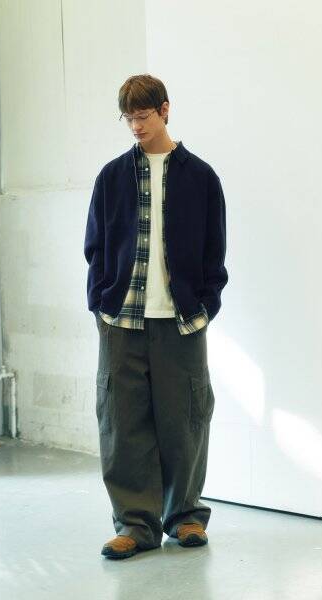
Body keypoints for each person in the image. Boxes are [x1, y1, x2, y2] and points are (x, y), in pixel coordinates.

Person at [84, 74, 228, 560]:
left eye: (143, 116)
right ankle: (134, 524)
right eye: (128, 118)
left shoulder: (201, 177)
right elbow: (95, 248)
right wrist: (101, 303)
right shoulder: (111, 178)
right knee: (122, 424)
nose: (136, 126)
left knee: (185, 421)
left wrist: (205, 306)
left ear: (165, 110)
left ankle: (184, 517)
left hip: (181, 321)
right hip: (121, 320)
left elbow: (214, 252)